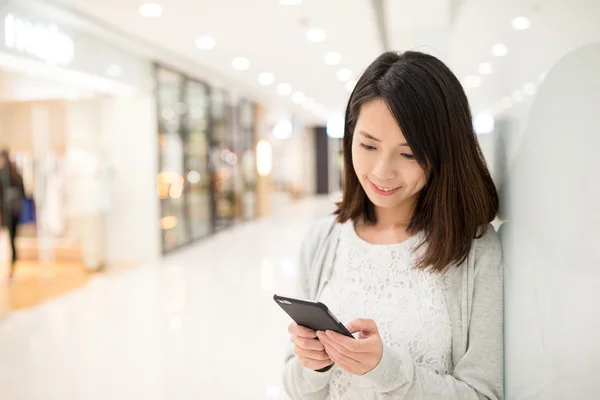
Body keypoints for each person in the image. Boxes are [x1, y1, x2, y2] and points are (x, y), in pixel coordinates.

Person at [282, 51, 503, 399]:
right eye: (368, 145)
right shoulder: (323, 238)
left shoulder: (474, 249)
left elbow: (484, 394)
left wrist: (387, 370)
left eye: (409, 154)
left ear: (444, 154)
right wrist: (313, 365)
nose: (382, 171)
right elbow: (296, 388)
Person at [0, 149, 25, 282]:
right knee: (13, 239)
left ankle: (12, 266)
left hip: (9, 212)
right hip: (16, 210)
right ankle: (13, 264)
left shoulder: (4, 175)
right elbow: (24, 192)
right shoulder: (16, 173)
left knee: (10, 240)